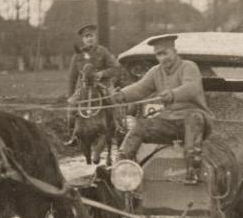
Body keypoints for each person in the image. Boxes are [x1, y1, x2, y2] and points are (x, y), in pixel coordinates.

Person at [112, 35, 214, 184]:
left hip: (194, 120)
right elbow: (140, 88)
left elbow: (191, 88)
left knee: (194, 118)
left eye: (165, 53)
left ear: (174, 51)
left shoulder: (189, 66)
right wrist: (122, 95)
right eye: (158, 55)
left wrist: (173, 94)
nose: (162, 58)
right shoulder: (155, 71)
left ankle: (193, 170)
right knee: (140, 126)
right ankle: (121, 165)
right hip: (169, 122)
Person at [67, 24, 120, 100]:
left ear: (95, 37)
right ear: (83, 39)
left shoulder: (103, 51)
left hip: (104, 86)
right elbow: (72, 78)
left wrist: (102, 74)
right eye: (86, 37)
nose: (89, 39)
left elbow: (115, 68)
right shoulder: (78, 56)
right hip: (84, 88)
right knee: (73, 108)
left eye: (91, 36)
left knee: (113, 103)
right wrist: (70, 96)